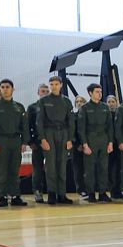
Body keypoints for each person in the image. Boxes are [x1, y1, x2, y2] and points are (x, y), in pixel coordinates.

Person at [0, 78, 29, 207]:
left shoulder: (19, 107)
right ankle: (2, 196)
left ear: (13, 89)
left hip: (16, 140)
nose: (5, 89)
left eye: (7, 87)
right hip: (1, 141)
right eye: (2, 87)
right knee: (1, 170)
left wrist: (24, 142)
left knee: (15, 169)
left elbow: (24, 126)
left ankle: (15, 196)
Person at [37, 76, 75, 205]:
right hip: (49, 133)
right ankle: (52, 193)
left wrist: (70, 139)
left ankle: (62, 194)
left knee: (62, 164)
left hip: (63, 133)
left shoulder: (66, 101)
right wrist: (42, 139)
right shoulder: (44, 101)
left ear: (61, 85)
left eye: (56, 84)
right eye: (51, 84)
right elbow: (40, 121)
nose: (54, 86)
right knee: (51, 165)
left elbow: (71, 121)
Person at [77, 83, 114, 202]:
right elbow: (81, 128)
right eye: (97, 92)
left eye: (100, 91)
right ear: (90, 93)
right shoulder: (85, 108)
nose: (100, 94)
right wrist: (85, 144)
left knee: (103, 167)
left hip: (103, 139)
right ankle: (91, 193)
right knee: (90, 168)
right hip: (90, 139)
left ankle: (103, 192)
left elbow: (110, 126)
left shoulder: (105, 107)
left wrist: (110, 142)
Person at [26, 83, 49, 202]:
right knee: (38, 168)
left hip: (52, 142)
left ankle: (52, 192)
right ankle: (37, 191)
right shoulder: (32, 107)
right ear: (38, 93)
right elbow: (28, 125)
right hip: (37, 142)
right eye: (42, 91)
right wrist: (30, 142)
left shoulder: (52, 106)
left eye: (46, 91)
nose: (45, 93)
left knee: (51, 168)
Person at [105, 95, 121, 198]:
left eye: (113, 102)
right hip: (107, 144)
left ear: (116, 103)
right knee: (109, 168)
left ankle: (118, 189)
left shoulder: (119, 114)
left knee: (119, 168)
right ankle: (111, 189)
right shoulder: (104, 114)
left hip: (119, 144)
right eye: (109, 102)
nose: (111, 104)